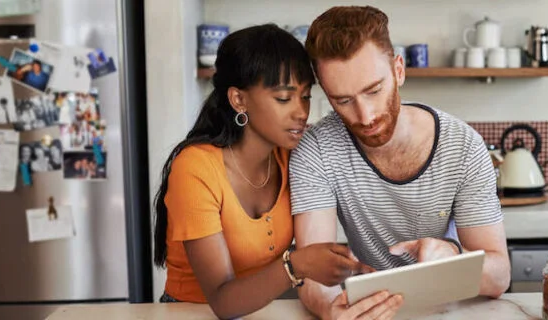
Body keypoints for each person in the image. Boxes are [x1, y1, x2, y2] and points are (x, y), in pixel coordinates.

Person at [152, 24, 401, 320]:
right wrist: (297, 265)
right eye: (284, 98)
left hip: (261, 313)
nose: (301, 112)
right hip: (189, 313)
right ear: (239, 99)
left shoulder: (293, 156)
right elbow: (222, 301)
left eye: (305, 96)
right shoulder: (194, 169)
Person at [290, 6, 511, 319]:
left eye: (374, 90)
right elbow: (312, 273)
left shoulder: (463, 147)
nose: (365, 116)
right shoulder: (316, 150)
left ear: (399, 71)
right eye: (343, 100)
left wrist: (452, 258)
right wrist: (330, 308)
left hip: (445, 307)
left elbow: (500, 276)